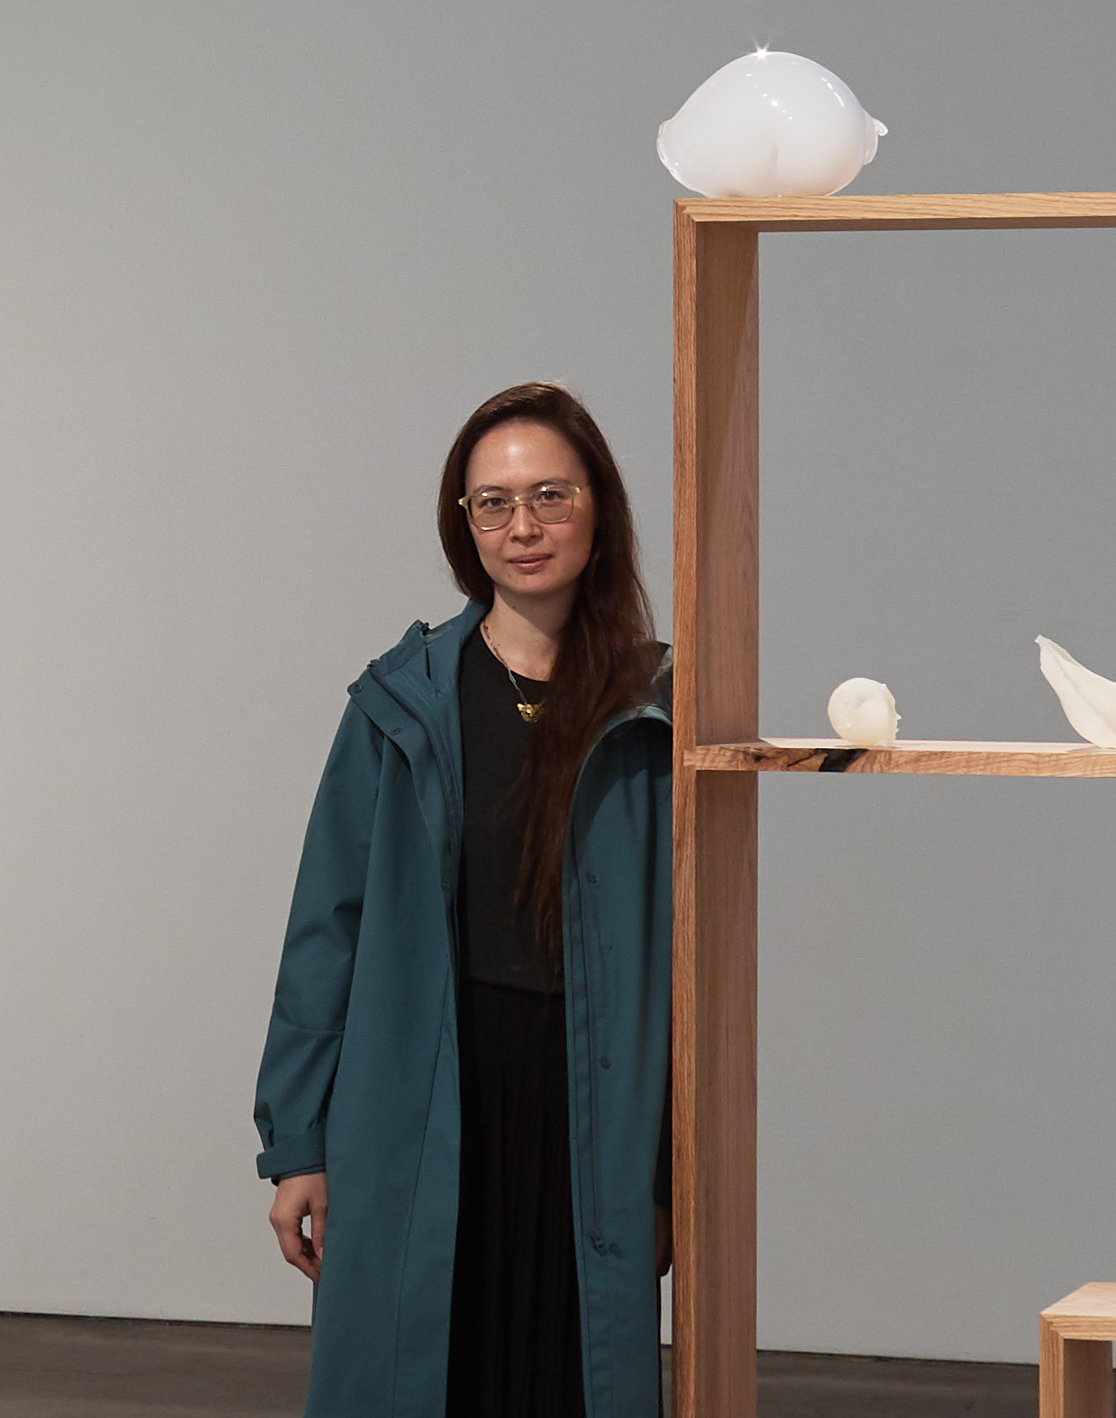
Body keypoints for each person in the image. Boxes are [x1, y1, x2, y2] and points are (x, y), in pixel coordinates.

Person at [253, 382, 673, 1418]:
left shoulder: (656, 712)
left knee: (566, 1372)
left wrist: (674, 1166)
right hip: (423, 1093)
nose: (522, 526)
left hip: (591, 1103)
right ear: (462, 522)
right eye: (492, 502)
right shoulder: (400, 704)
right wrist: (297, 1139)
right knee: (423, 1366)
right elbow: (327, 927)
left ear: (599, 510)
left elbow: (695, 961)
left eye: (550, 495)